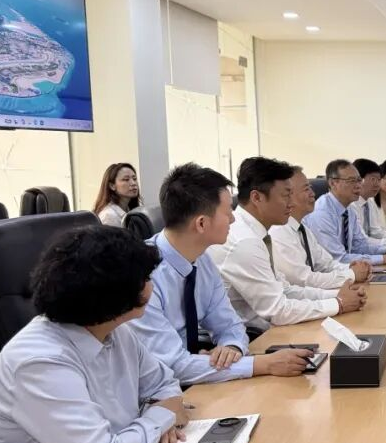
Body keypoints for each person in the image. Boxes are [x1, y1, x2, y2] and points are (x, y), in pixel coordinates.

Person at [0, 226, 187, 443]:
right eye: (146, 278)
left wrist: (161, 414)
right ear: (114, 295)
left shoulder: (116, 331)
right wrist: (161, 417)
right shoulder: (38, 362)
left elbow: (165, 386)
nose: (153, 285)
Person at [129, 163, 315, 386]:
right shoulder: (141, 275)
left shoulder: (202, 259)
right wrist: (263, 364)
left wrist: (231, 348)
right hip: (153, 390)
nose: (234, 219)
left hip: (198, 373)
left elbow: (230, 325)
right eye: (228, 213)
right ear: (201, 223)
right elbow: (171, 365)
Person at [208, 157, 366, 332]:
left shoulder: (257, 233)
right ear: (257, 197)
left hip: (273, 328)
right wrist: (338, 303)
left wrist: (337, 295)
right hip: (254, 336)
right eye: (286, 195)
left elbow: (285, 290)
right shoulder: (244, 241)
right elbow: (277, 310)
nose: (291, 203)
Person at [271, 166, 371, 289]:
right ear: (287, 195)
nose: (313, 194)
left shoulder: (302, 229)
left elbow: (326, 264)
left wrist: (351, 268)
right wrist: (351, 275)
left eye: (310, 188)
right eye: (306, 189)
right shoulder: (279, 231)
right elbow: (303, 280)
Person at [303, 159, 386, 266]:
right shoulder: (322, 213)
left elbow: (360, 244)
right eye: (351, 181)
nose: (358, 185)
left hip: (346, 271)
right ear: (333, 183)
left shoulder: (348, 209)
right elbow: (337, 259)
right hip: (326, 274)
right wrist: (384, 259)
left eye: (359, 180)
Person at [93, 162, 141, 227]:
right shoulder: (109, 216)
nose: (133, 183)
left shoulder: (130, 209)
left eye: (134, 179)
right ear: (112, 186)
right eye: (126, 179)